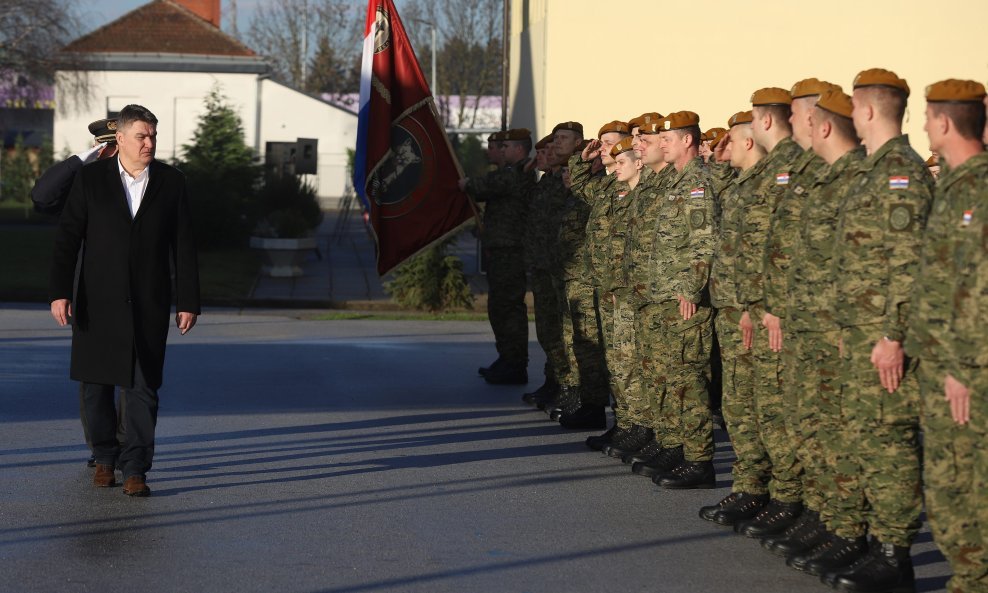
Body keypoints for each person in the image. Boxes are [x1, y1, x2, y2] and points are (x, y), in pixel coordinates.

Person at [800, 68, 933, 587]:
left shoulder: (900, 172)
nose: (852, 118)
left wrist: (892, 334)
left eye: (855, 108)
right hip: (857, 331)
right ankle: (869, 540)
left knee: (888, 442)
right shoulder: (875, 171)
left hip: (881, 335)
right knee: (863, 437)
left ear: (871, 111)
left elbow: (907, 262)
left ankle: (895, 554)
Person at [49, 104, 200, 497]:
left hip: (148, 301)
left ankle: (136, 468)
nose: (149, 143)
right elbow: (67, 238)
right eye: (141, 136)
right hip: (95, 301)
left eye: (153, 136)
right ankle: (104, 458)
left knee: (143, 387)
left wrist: (188, 300)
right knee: (95, 385)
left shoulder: (172, 182)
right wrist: (59, 292)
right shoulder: (91, 179)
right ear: (120, 139)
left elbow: (183, 245)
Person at [769, 89, 864, 563]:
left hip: (840, 330)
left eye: (797, 116)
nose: (792, 123)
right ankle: (824, 517)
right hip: (810, 324)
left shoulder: (859, 178)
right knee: (810, 425)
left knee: (841, 431)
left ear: (821, 123)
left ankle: (856, 534)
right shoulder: (819, 175)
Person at [906, 79, 988, 593]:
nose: (923, 126)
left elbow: (979, 286)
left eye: (928, 116)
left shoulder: (977, 189)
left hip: (966, 368)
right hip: (942, 363)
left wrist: (962, 366)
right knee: (949, 490)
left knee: (969, 491)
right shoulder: (955, 185)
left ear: (944, 123)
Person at [32, 118, 124, 467]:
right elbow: (42, 196)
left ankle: (128, 444)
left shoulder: (146, 177)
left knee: (134, 376)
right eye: (109, 148)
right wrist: (80, 159)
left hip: (133, 287)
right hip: (88, 288)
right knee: (95, 375)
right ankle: (103, 449)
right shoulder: (83, 180)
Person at [699, 109, 770, 522]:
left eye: (731, 138)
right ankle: (749, 485)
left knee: (759, 405)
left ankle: (768, 491)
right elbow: (719, 188)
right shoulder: (741, 182)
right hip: (733, 306)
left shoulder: (770, 184)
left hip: (753, 310)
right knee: (738, 404)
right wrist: (720, 159)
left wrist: (751, 306)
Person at [645, 110, 717, 490]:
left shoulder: (697, 184)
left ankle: (700, 460)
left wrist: (690, 288)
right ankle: (681, 450)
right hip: (666, 297)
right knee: (673, 377)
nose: (662, 144)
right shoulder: (676, 182)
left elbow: (705, 241)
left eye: (668, 138)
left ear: (687, 140)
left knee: (690, 379)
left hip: (685, 300)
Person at [461, 129, 534, 386]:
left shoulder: (521, 172)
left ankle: (515, 364)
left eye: (505, 148)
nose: (500, 152)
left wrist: (466, 183)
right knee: (499, 307)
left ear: (519, 149)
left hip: (511, 251)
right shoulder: (513, 171)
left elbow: (485, 186)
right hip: (502, 248)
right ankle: (506, 358)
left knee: (508, 307)